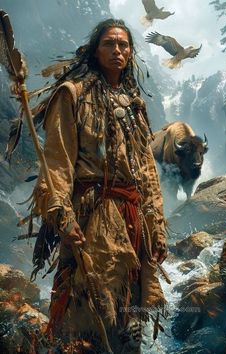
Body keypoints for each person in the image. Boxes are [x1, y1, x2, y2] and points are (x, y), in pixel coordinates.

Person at [31, 18, 167, 354]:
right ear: (96, 49)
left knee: (130, 315)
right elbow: (57, 161)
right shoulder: (73, 94)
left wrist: (158, 228)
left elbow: (147, 172)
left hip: (133, 222)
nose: (117, 50)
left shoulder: (136, 105)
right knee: (86, 312)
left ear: (131, 53)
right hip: (89, 217)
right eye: (109, 43)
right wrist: (62, 213)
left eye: (123, 44)